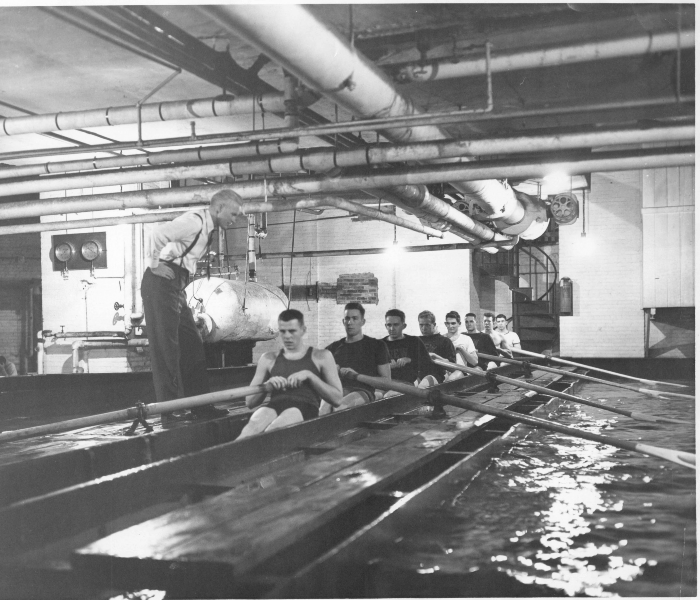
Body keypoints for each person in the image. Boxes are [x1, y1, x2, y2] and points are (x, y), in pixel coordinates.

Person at [141, 189, 244, 425]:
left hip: (176, 285)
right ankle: (171, 410)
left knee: (192, 343)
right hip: (161, 282)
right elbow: (158, 234)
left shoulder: (208, 228)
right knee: (167, 348)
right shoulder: (194, 221)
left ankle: (200, 406)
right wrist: (155, 265)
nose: (234, 219)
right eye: (233, 214)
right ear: (218, 209)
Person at [238, 309, 343, 438]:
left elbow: (337, 399)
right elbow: (250, 402)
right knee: (251, 428)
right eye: (283, 331)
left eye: (292, 331)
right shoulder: (268, 358)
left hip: (304, 407)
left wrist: (310, 376)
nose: (287, 336)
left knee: (274, 430)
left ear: (303, 330)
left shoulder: (322, 356)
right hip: (275, 405)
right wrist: (266, 386)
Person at [321, 302, 391, 414]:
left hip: (363, 391)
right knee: (322, 411)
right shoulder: (332, 348)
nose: (350, 322)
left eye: (355, 318)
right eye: (347, 318)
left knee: (340, 408)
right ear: (343, 321)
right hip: (337, 390)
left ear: (362, 322)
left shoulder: (377, 345)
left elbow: (386, 381)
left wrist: (356, 376)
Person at [382, 308, 435, 387]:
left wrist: (410, 360)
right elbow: (370, 368)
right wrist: (386, 365)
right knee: (377, 395)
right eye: (389, 325)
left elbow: (427, 364)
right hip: (383, 383)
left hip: (406, 383)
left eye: (396, 325)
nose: (392, 328)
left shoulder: (414, 341)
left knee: (389, 396)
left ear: (404, 326)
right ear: (385, 326)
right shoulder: (380, 345)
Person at [417, 310, 457, 384]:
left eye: (427, 325)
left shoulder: (445, 341)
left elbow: (453, 368)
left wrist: (435, 356)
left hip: (436, 376)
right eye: (421, 325)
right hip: (417, 375)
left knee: (423, 386)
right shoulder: (416, 341)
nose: (424, 328)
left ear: (434, 324)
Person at [444, 311, 479, 377]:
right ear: (445, 324)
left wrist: (461, 349)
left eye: (453, 323)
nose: (450, 326)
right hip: (444, 373)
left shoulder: (466, 339)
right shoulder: (441, 339)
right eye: (448, 323)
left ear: (459, 324)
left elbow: (475, 362)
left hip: (461, 373)